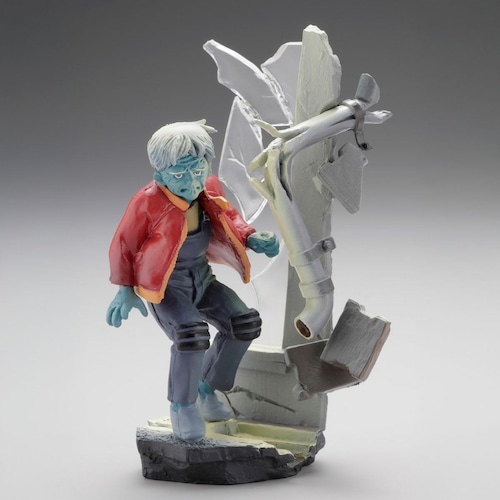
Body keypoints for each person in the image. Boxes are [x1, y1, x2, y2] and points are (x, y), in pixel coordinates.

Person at [106, 120, 279, 442]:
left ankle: (205, 388)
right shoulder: (146, 201)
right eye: (179, 175)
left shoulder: (208, 187)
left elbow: (229, 217)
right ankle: (182, 406)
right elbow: (123, 244)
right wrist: (125, 290)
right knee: (191, 336)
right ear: (160, 174)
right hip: (166, 286)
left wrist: (251, 237)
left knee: (243, 323)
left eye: (198, 170)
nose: (191, 181)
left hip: (202, 277)